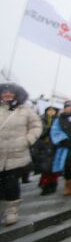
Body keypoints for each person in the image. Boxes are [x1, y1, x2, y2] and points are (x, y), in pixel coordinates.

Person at [0, 83, 42, 226]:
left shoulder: (25, 111)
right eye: (4, 93)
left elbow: (36, 126)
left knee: (11, 183)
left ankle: (12, 210)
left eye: (10, 93)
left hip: (16, 153)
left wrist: (27, 140)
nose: (7, 95)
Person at [33, 106, 60, 196]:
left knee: (53, 168)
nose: (51, 112)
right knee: (45, 168)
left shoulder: (58, 120)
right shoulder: (41, 120)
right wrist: (47, 130)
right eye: (49, 110)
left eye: (53, 110)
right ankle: (45, 184)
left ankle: (53, 183)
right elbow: (38, 133)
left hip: (54, 146)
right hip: (43, 146)